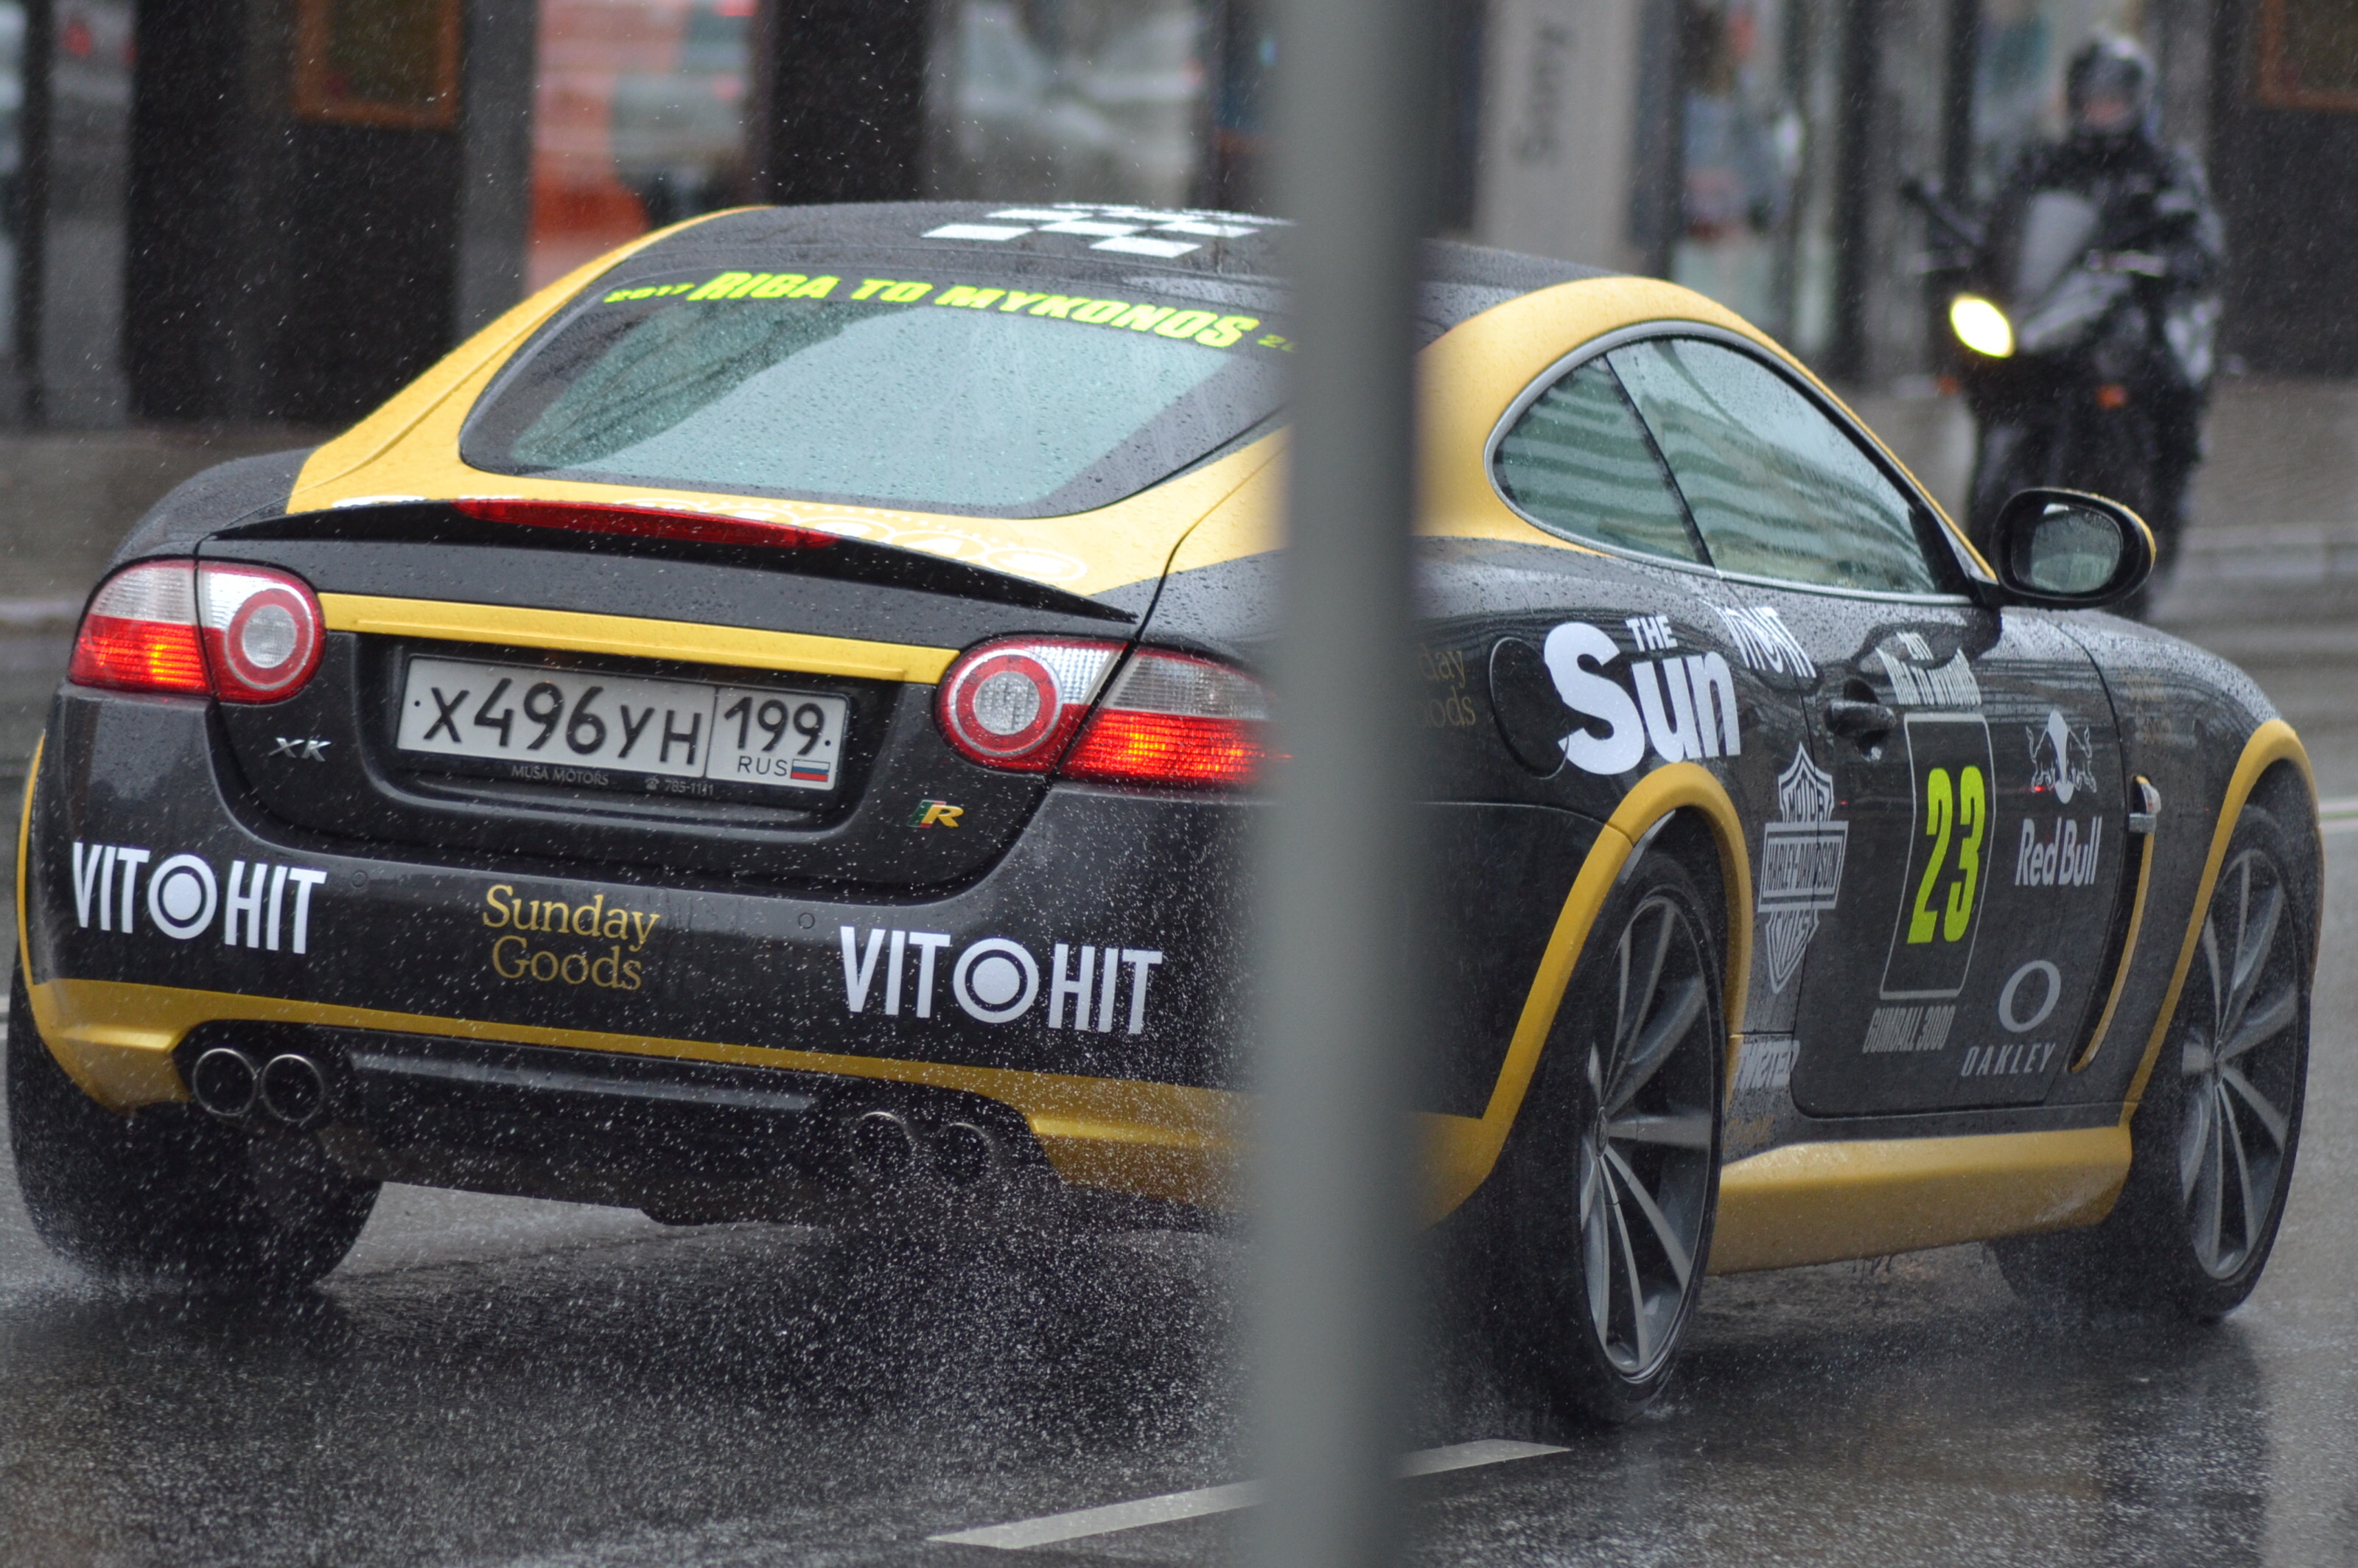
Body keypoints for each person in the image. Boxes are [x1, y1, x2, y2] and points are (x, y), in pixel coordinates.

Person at [1982, 36, 2223, 587]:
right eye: (2093, 100)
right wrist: (1977, 250)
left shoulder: (2165, 168)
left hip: (2127, 314)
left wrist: (2167, 262)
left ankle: (2164, 502)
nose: (2102, 111)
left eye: (2113, 100)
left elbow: (2202, 241)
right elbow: (2006, 219)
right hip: (2055, 316)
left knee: (2167, 381)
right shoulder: (2049, 163)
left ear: (2138, 103)